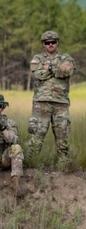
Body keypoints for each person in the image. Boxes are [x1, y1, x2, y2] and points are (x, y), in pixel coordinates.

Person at [27, 30, 78, 162]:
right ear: (43, 44)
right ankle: (30, 165)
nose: (50, 44)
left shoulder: (66, 58)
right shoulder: (37, 58)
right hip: (41, 103)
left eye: (53, 42)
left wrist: (49, 68)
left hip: (61, 103)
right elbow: (38, 74)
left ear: (57, 43)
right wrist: (57, 69)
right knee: (37, 136)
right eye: (47, 42)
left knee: (63, 138)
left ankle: (63, 167)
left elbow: (68, 71)